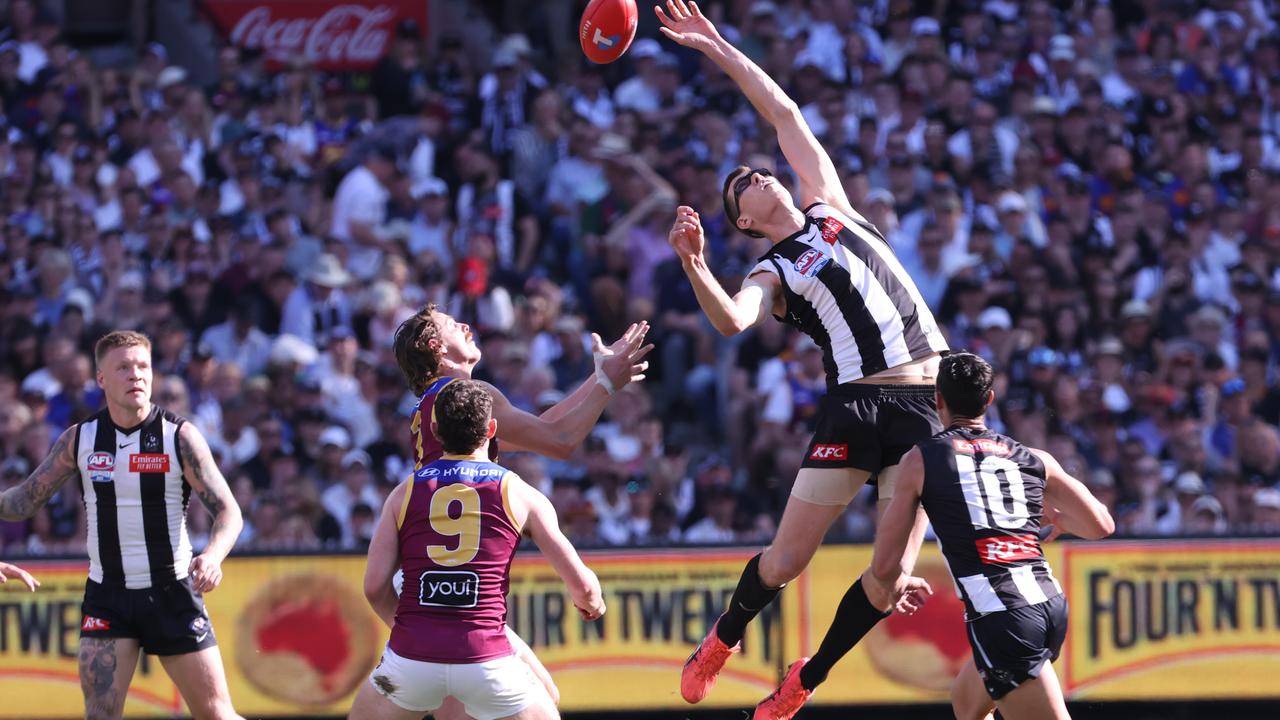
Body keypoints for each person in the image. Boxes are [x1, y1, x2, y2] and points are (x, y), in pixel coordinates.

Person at [654, 3, 949, 716]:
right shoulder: (773, 269)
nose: (758, 175)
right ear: (746, 222)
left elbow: (782, 110)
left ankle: (803, 681)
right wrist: (696, 265)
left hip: (926, 404)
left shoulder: (831, 206)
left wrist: (720, 48)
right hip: (858, 402)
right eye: (742, 186)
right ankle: (723, 638)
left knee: (891, 577)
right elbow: (731, 322)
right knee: (786, 562)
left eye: (757, 170)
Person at [391, 304, 647, 718]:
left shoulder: (440, 406)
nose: (466, 325)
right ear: (435, 346)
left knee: (537, 693)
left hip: (429, 588)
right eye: (452, 324)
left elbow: (543, 427)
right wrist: (607, 385)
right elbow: (560, 441)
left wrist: (599, 377)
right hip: (458, 597)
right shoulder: (470, 399)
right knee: (538, 700)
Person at [0, 330, 245, 720]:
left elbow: (229, 511)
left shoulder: (178, 437)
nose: (137, 375)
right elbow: (23, 501)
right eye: (124, 367)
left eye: (143, 366)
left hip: (172, 591)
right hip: (108, 596)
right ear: (101, 379)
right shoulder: (80, 439)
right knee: (100, 715)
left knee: (216, 714)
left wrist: (213, 556)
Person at [865, 352, 1115, 720]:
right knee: (967, 705)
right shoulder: (1033, 457)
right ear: (989, 400)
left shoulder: (922, 459)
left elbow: (885, 566)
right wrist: (1064, 522)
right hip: (1049, 606)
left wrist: (893, 581)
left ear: (938, 401)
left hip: (1005, 617)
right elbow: (1102, 526)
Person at [351, 380, 604, 720]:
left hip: (412, 657)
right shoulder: (519, 492)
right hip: (487, 659)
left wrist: (408, 632)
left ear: (437, 431)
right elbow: (584, 587)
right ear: (493, 429)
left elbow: (374, 586)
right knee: (548, 698)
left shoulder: (404, 492)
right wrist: (592, 603)